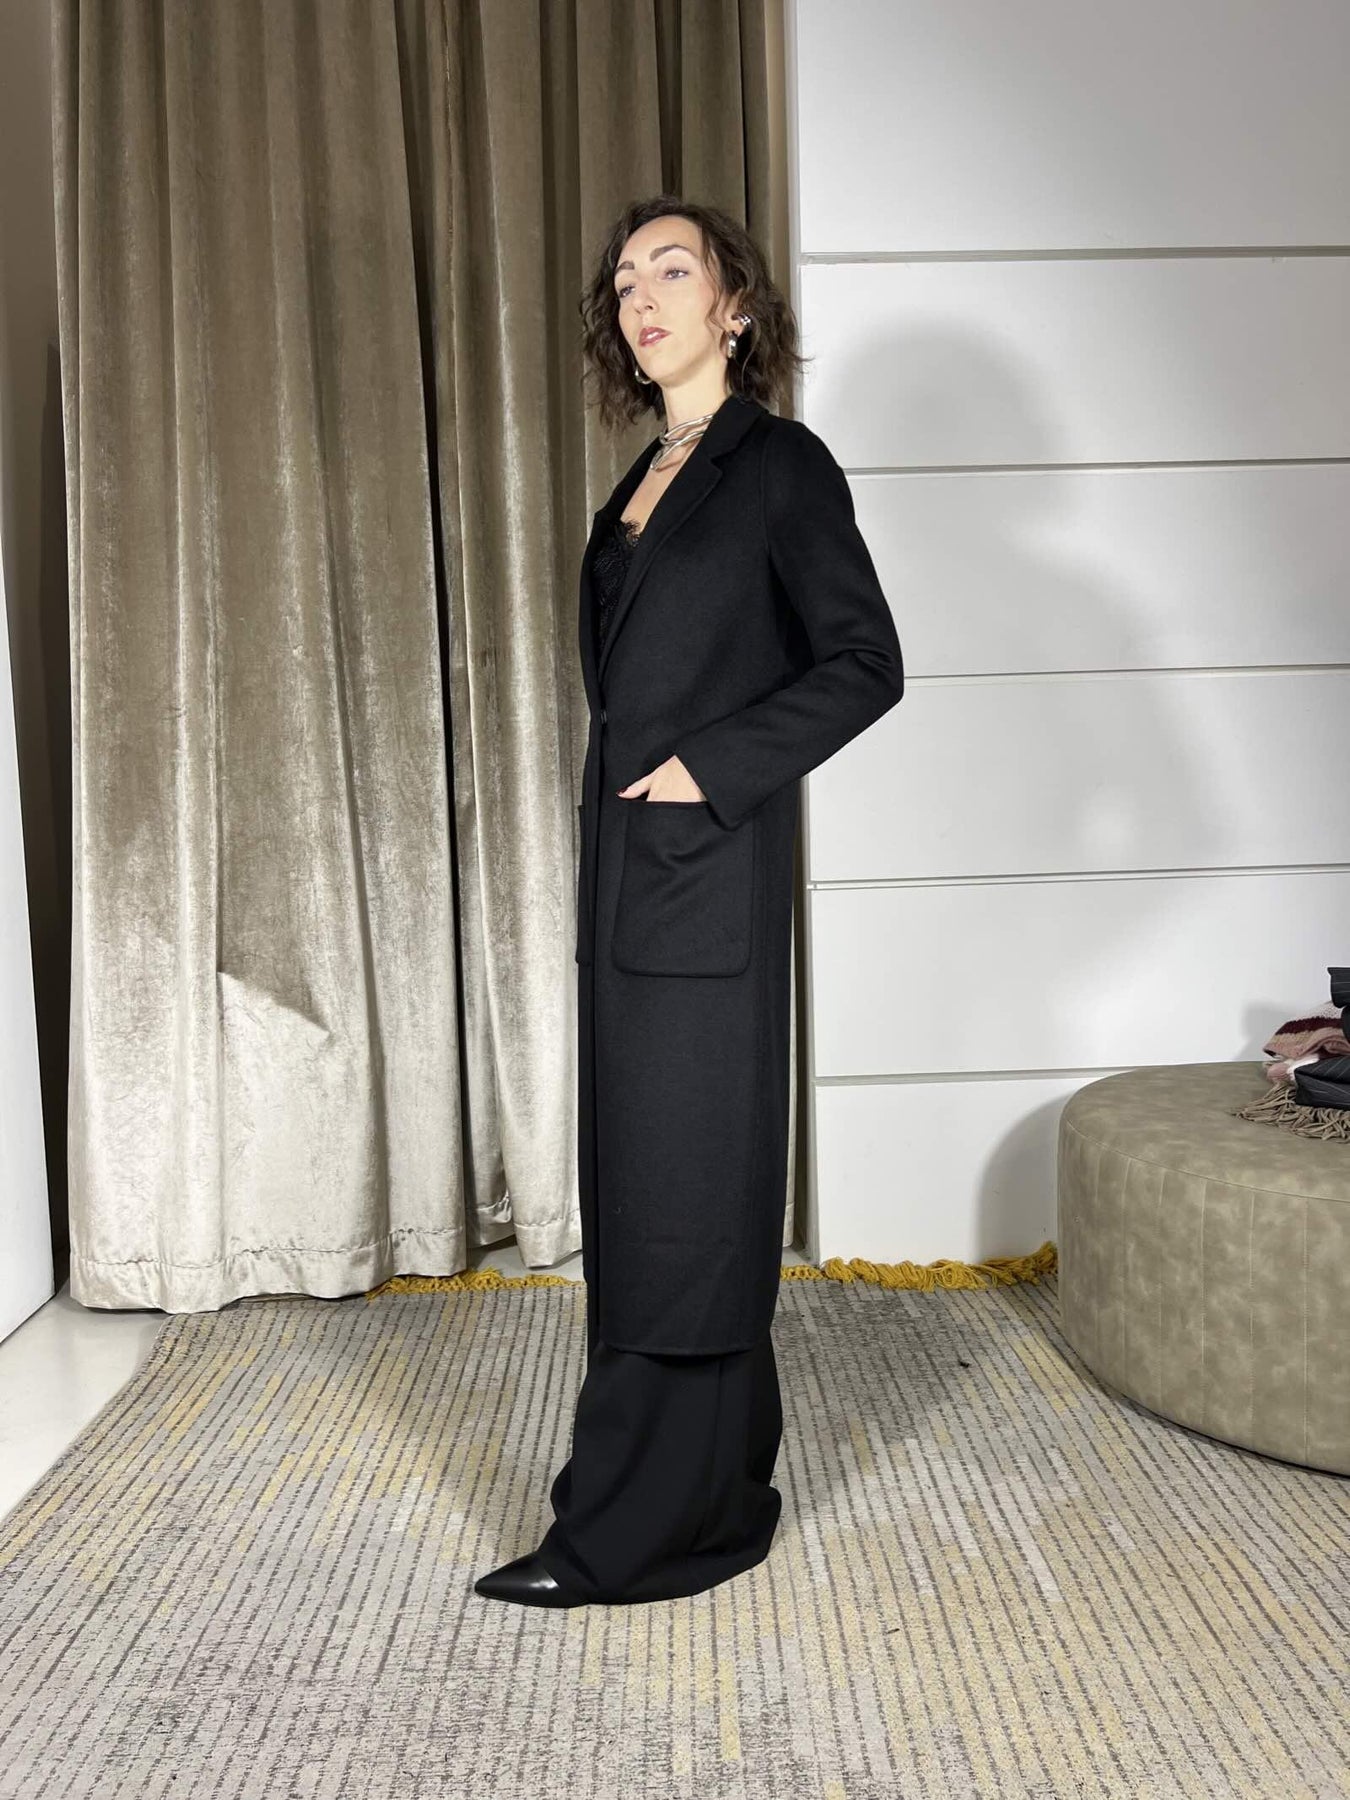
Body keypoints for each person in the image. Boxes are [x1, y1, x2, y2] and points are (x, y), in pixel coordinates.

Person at [474, 196, 905, 1607]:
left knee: (683, 1203)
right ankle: (713, 1496)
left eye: (673, 270)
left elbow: (864, 663)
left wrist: (705, 773)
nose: (641, 296)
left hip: (705, 879)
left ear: (735, 307)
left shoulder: (778, 466)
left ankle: (629, 1535)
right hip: (628, 893)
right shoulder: (642, 478)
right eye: (623, 282)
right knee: (653, 1195)